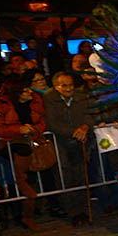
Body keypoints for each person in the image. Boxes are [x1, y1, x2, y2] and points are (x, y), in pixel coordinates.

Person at [0, 75, 46, 231]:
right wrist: (18, 129)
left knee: (34, 175)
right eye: (25, 90)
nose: (30, 92)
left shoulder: (35, 100)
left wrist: (36, 129)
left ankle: (29, 213)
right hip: (8, 144)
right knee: (15, 181)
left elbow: (42, 120)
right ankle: (22, 185)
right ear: (17, 93)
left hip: (32, 141)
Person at [43, 71, 95, 226]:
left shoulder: (80, 97)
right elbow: (52, 123)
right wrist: (73, 132)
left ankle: (84, 210)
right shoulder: (49, 98)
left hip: (80, 139)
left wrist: (85, 127)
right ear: (56, 86)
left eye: (70, 84)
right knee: (65, 175)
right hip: (60, 140)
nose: (68, 88)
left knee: (81, 174)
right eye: (64, 85)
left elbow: (89, 115)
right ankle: (73, 212)